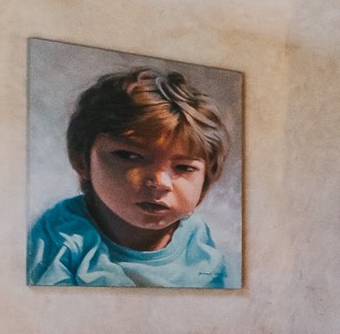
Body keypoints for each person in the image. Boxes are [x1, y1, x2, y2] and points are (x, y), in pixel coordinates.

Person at [28, 67, 236, 288]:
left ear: (205, 181)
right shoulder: (59, 236)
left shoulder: (198, 239)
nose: (161, 183)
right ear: (82, 161)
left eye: (184, 167)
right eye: (129, 156)